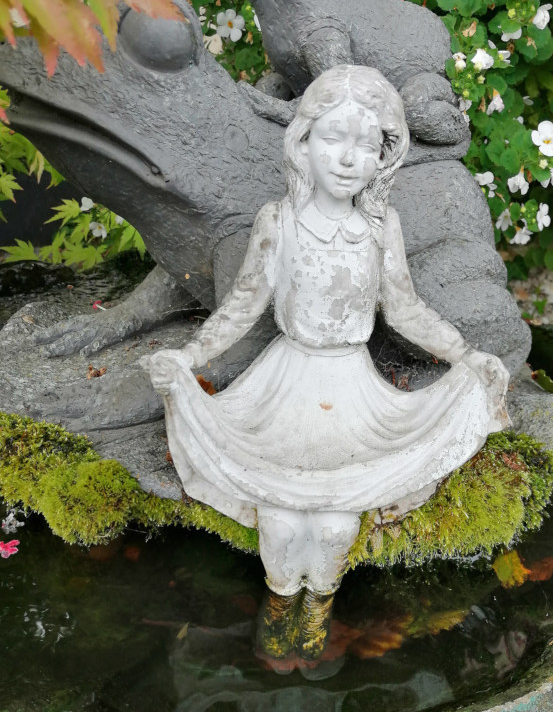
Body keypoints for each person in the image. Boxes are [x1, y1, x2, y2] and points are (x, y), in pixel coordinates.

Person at [142, 64, 509, 600]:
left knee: (338, 526)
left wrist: (466, 355)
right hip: (286, 384)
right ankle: (280, 597)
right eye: (333, 138)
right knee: (281, 523)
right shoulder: (280, 219)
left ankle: (319, 609)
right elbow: (244, 302)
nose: (346, 159)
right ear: (303, 142)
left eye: (366, 145)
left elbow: (405, 309)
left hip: (351, 391)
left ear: (383, 157)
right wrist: (190, 355)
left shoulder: (383, 228)